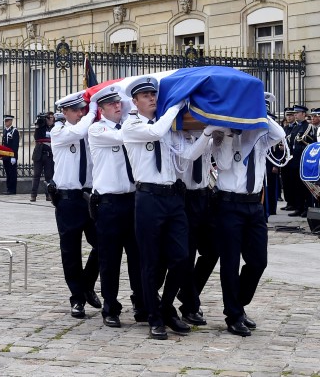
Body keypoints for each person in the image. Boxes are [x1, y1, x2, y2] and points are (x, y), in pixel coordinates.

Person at [121, 76, 190, 340]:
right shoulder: (132, 125)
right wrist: (175, 105)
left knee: (182, 257)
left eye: (154, 94)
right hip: (148, 198)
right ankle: (155, 317)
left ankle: (166, 306)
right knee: (150, 261)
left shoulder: (167, 126)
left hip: (173, 197)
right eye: (146, 95)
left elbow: (186, 155)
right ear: (135, 102)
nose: (152, 98)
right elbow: (155, 132)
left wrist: (207, 136)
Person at [212, 114, 286, 336]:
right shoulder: (224, 135)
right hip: (229, 205)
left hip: (254, 205)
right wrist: (229, 133)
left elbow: (280, 134)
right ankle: (233, 315)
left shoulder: (262, 137)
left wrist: (262, 114)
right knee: (230, 263)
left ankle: (238, 303)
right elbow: (223, 163)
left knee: (258, 262)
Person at [87, 85, 143, 327]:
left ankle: (141, 302)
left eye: (119, 102)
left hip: (132, 200)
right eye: (111, 104)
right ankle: (111, 307)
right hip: (108, 203)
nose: (117, 106)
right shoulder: (98, 129)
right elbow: (125, 136)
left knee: (137, 257)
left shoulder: (129, 127)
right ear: (101, 109)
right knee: (110, 259)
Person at [50, 90, 101, 319]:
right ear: (65, 112)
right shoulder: (59, 131)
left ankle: (87, 284)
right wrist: (92, 111)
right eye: (77, 110)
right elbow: (78, 130)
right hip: (68, 199)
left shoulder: (91, 131)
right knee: (70, 251)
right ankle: (77, 298)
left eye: (83, 109)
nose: (81, 113)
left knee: (102, 244)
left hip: (89, 197)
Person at [172, 126, 220, 327]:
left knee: (212, 250)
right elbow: (191, 155)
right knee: (187, 254)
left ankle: (187, 294)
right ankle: (190, 306)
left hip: (204, 195)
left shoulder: (206, 134)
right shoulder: (177, 135)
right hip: (185, 197)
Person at [286, 104, 310, 217]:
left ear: (304, 114)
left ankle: (306, 208)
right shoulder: (295, 127)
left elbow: (310, 144)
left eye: (297, 113)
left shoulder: (308, 127)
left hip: (303, 160)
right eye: (294, 113)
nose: (295, 115)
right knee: (296, 186)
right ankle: (298, 207)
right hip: (294, 161)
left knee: (304, 187)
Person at [30, 112, 55, 202]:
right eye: (48, 118)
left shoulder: (54, 128)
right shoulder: (41, 126)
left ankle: (48, 195)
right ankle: (33, 195)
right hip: (39, 154)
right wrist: (39, 124)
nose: (50, 119)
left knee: (49, 176)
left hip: (49, 154)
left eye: (52, 117)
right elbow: (36, 137)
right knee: (36, 175)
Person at [1, 114, 19, 195]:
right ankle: (8, 188)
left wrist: (13, 156)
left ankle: (12, 189)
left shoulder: (14, 131)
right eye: (5, 121)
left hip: (11, 155)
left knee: (12, 173)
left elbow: (15, 145)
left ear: (11, 121)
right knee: (8, 173)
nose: (6, 122)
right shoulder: (5, 130)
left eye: (7, 121)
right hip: (5, 155)